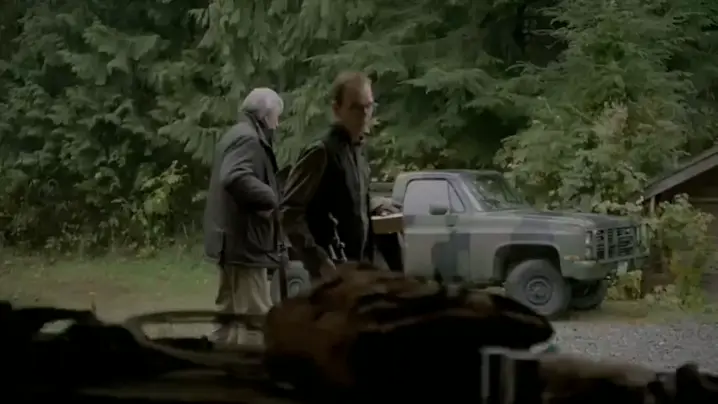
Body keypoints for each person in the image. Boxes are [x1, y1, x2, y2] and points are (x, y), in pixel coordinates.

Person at [281, 71, 399, 279]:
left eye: (368, 106)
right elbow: (289, 212)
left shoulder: (358, 150)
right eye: (356, 107)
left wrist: (372, 205)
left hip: (360, 269)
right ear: (337, 109)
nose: (364, 114)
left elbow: (345, 200)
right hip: (333, 272)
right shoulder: (321, 152)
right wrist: (319, 261)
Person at [203, 87, 284, 343]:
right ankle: (253, 365)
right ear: (265, 115)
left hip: (232, 242)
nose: (278, 124)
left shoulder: (236, 133)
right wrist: (271, 196)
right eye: (277, 117)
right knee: (255, 318)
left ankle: (214, 362)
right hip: (245, 244)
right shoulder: (248, 138)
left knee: (228, 319)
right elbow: (235, 176)